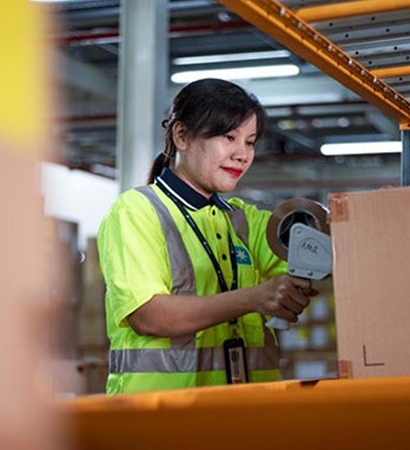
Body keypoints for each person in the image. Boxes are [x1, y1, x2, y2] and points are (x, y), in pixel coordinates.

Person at [97, 78, 315, 395]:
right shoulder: (137, 212)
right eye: (229, 137)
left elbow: (304, 242)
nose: (242, 154)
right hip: (161, 420)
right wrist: (256, 297)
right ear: (182, 136)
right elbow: (148, 315)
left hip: (244, 418)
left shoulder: (241, 220)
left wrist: (366, 216)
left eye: (250, 142)